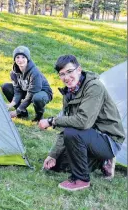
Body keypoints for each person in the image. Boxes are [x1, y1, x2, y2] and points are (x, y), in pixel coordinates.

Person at [39, 55, 125, 191]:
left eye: (69, 71)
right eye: (62, 74)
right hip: (88, 137)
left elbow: (83, 122)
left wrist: (52, 121)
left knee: (72, 132)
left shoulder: (94, 87)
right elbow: (68, 124)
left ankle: (81, 180)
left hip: (109, 140)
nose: (66, 77)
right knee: (57, 165)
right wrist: (53, 155)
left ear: (79, 70)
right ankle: (101, 161)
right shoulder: (69, 93)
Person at [2, 45, 53, 121]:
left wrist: (16, 111)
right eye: (17, 57)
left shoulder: (34, 73)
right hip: (26, 90)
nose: (20, 60)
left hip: (42, 92)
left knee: (37, 97)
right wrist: (11, 104)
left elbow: (31, 94)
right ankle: (22, 113)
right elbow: (17, 91)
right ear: (14, 59)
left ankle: (38, 117)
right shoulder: (14, 73)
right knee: (6, 86)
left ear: (27, 58)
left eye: (23, 57)